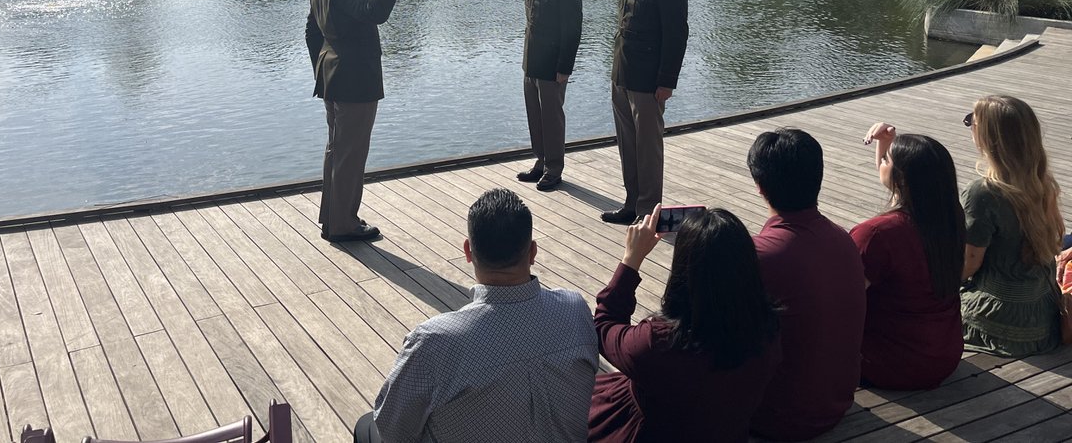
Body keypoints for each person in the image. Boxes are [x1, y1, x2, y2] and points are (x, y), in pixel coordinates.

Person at [353, 188, 598, 443]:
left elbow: (392, 430)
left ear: (468, 251)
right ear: (533, 252)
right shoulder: (575, 309)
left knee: (366, 427)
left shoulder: (434, 342)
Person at [589, 205, 781, 443]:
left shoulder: (659, 343)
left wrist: (631, 259)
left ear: (684, 270)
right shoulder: (767, 330)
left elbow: (604, 326)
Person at [747, 128, 865, 441]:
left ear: (760, 186)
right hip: (834, 403)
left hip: (775, 416)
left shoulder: (758, 255)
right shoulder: (844, 238)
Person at [582, 0, 688, 224]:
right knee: (627, 144)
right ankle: (631, 203)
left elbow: (676, 36)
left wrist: (667, 82)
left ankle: (648, 211)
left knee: (647, 148)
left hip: (648, 80)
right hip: (623, 74)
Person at [305, 0, 404, 243]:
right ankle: (343, 225)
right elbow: (375, 13)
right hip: (354, 84)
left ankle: (332, 218)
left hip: (334, 80)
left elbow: (311, 34)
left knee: (337, 151)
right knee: (350, 154)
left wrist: (322, 69)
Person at [851, 123, 965, 389]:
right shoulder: (950, 215)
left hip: (891, 362)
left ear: (902, 179)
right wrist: (887, 143)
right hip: (944, 354)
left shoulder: (876, 234)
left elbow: (845, 302)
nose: (881, 160)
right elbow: (895, 183)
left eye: (886, 159)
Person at [961, 95, 1064, 356]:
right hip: (1040, 311)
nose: (970, 125)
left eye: (972, 122)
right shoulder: (1042, 181)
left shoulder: (983, 193)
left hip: (1002, 318)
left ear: (987, 137)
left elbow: (969, 263)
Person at [505, 0, 583, 191]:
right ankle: (540, 160)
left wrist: (565, 68)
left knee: (551, 117)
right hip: (532, 62)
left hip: (552, 66)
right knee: (535, 115)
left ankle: (554, 167)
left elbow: (572, 32)